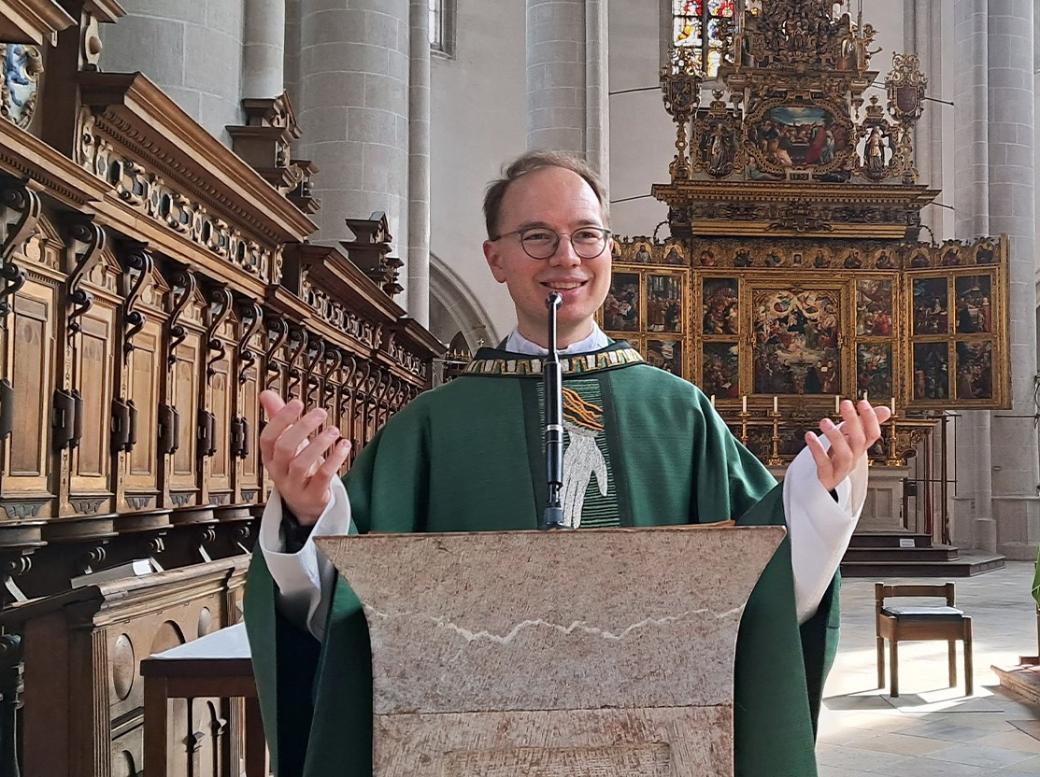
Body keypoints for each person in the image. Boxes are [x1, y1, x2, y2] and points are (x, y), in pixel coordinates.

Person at [245, 151, 890, 777]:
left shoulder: (679, 413)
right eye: (537, 237)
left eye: (586, 235)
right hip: (470, 747)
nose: (567, 257)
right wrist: (309, 514)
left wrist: (815, 494)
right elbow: (352, 611)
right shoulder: (433, 426)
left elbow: (762, 581)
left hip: (659, 743)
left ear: (610, 250)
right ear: (494, 259)